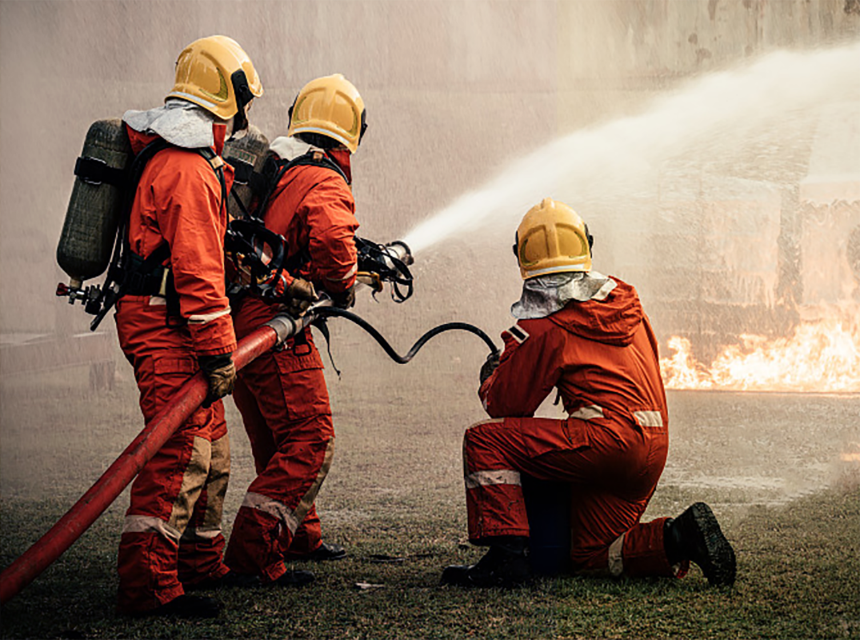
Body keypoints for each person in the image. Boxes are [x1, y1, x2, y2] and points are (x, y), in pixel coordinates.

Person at [441, 198, 736, 588]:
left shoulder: (546, 325)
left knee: (485, 441)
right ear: (587, 245)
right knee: (591, 554)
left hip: (607, 443)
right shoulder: (626, 305)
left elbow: (506, 404)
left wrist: (495, 372)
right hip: (651, 445)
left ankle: (506, 560)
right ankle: (679, 537)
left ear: (520, 255)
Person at [114, 35, 262, 617]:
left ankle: (198, 561)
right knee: (180, 451)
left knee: (212, 445)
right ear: (225, 99)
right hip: (165, 324)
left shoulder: (186, 160)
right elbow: (198, 271)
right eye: (242, 105)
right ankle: (148, 584)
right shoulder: (186, 167)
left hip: (172, 320)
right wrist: (221, 351)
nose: (244, 118)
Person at [224, 74, 366, 585]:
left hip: (241, 316)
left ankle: (301, 536)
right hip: (273, 320)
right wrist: (342, 285)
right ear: (350, 132)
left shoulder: (280, 166)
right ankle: (254, 555)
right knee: (310, 437)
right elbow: (332, 244)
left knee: (278, 439)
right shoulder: (323, 178)